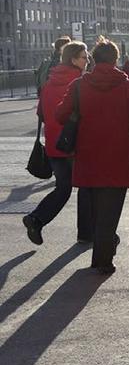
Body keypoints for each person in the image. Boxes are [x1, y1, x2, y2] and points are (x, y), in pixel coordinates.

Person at [56, 39, 129, 275]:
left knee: (96, 209)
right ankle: (103, 260)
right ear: (116, 59)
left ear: (94, 59)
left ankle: (101, 255)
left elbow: (59, 114)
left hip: (87, 156)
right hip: (119, 156)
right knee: (111, 210)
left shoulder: (79, 85)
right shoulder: (128, 87)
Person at [22, 41, 90, 246]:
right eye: (84, 57)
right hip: (74, 144)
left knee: (63, 188)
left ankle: (36, 219)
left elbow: (40, 113)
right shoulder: (80, 82)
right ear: (73, 59)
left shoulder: (49, 82)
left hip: (54, 144)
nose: (88, 60)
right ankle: (86, 234)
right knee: (86, 187)